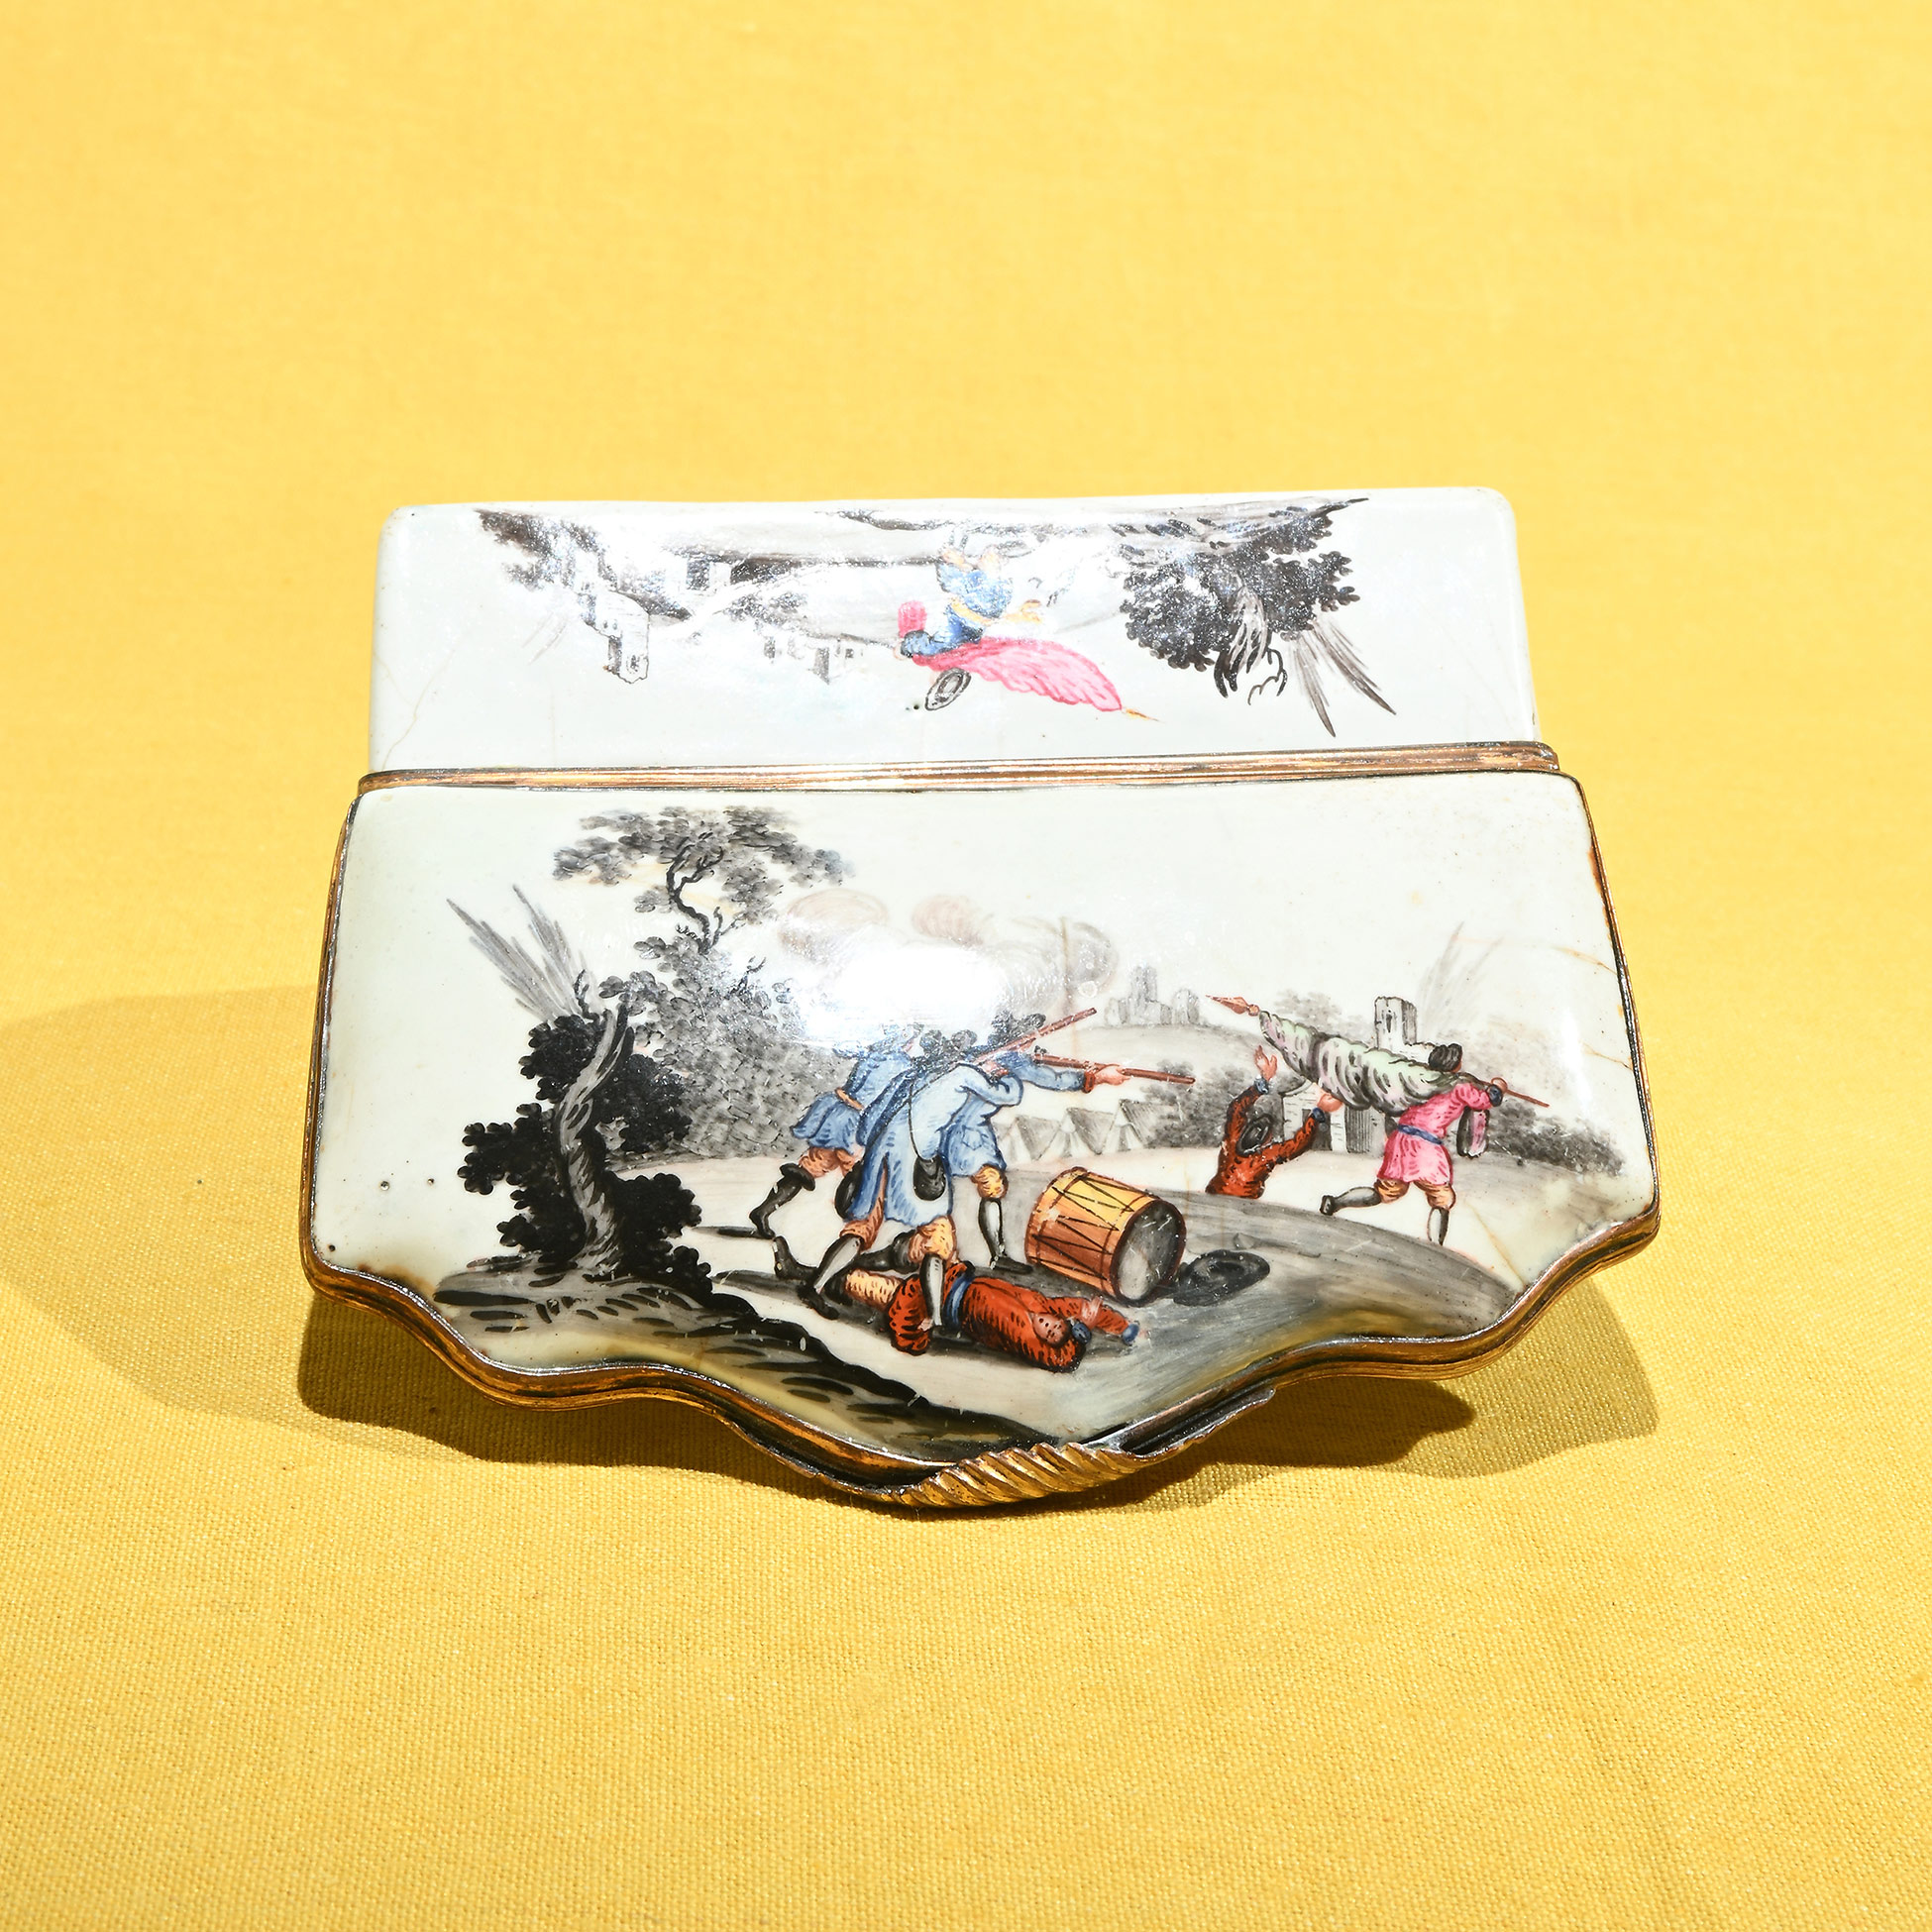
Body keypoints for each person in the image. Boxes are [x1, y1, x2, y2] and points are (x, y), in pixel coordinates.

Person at [805, 1013, 1127, 1325]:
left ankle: (817, 1285)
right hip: (920, 1155)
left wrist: (875, 1149)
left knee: (862, 1226)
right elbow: (1009, 1093)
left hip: (882, 1153)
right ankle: (934, 1319)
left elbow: (872, 1120)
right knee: (938, 1236)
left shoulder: (915, 1075)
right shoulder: (967, 1073)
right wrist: (1022, 1074)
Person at [745, 1023, 918, 1237]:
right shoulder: (902, 1064)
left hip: (835, 1117)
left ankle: (764, 1210)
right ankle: (858, 1237)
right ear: (906, 1043)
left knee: (810, 1166)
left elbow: (842, 1048)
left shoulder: (872, 1054)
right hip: (856, 1127)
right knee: (868, 1181)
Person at [1319, 1044, 1502, 1245]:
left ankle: (1335, 1202)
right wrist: (1497, 1088)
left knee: (1384, 1191)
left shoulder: (1419, 1080)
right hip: (1426, 1146)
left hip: (1401, 1140)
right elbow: (1485, 1101)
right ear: (1456, 1065)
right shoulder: (1460, 1087)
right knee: (1442, 1198)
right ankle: (1435, 1246)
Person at [1207, 1048, 1342, 1199]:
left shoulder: (1232, 1141)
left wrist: (1261, 1084)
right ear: (1265, 1140)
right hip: (1245, 1199)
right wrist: (1316, 1114)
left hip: (1215, 1191)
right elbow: (1298, 1145)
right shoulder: (1263, 1157)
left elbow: (1236, 1109)